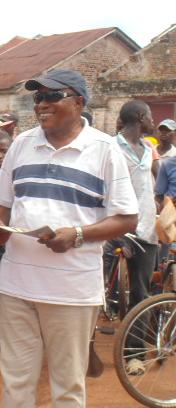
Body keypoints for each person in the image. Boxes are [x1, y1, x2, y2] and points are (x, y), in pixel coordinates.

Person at [0, 69, 138, 408]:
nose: (42, 104)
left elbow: (128, 218)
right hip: (17, 286)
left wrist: (79, 234)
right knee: (16, 382)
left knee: (68, 385)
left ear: (79, 102)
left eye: (53, 96)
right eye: (38, 97)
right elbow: (2, 204)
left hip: (71, 290)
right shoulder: (21, 144)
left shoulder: (105, 150)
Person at [110, 100, 159, 375]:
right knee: (100, 287)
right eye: (150, 116)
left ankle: (134, 355)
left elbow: (152, 184)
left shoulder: (149, 148)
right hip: (116, 227)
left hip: (147, 229)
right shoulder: (110, 147)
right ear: (141, 117)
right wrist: (117, 235)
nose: (153, 121)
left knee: (141, 292)